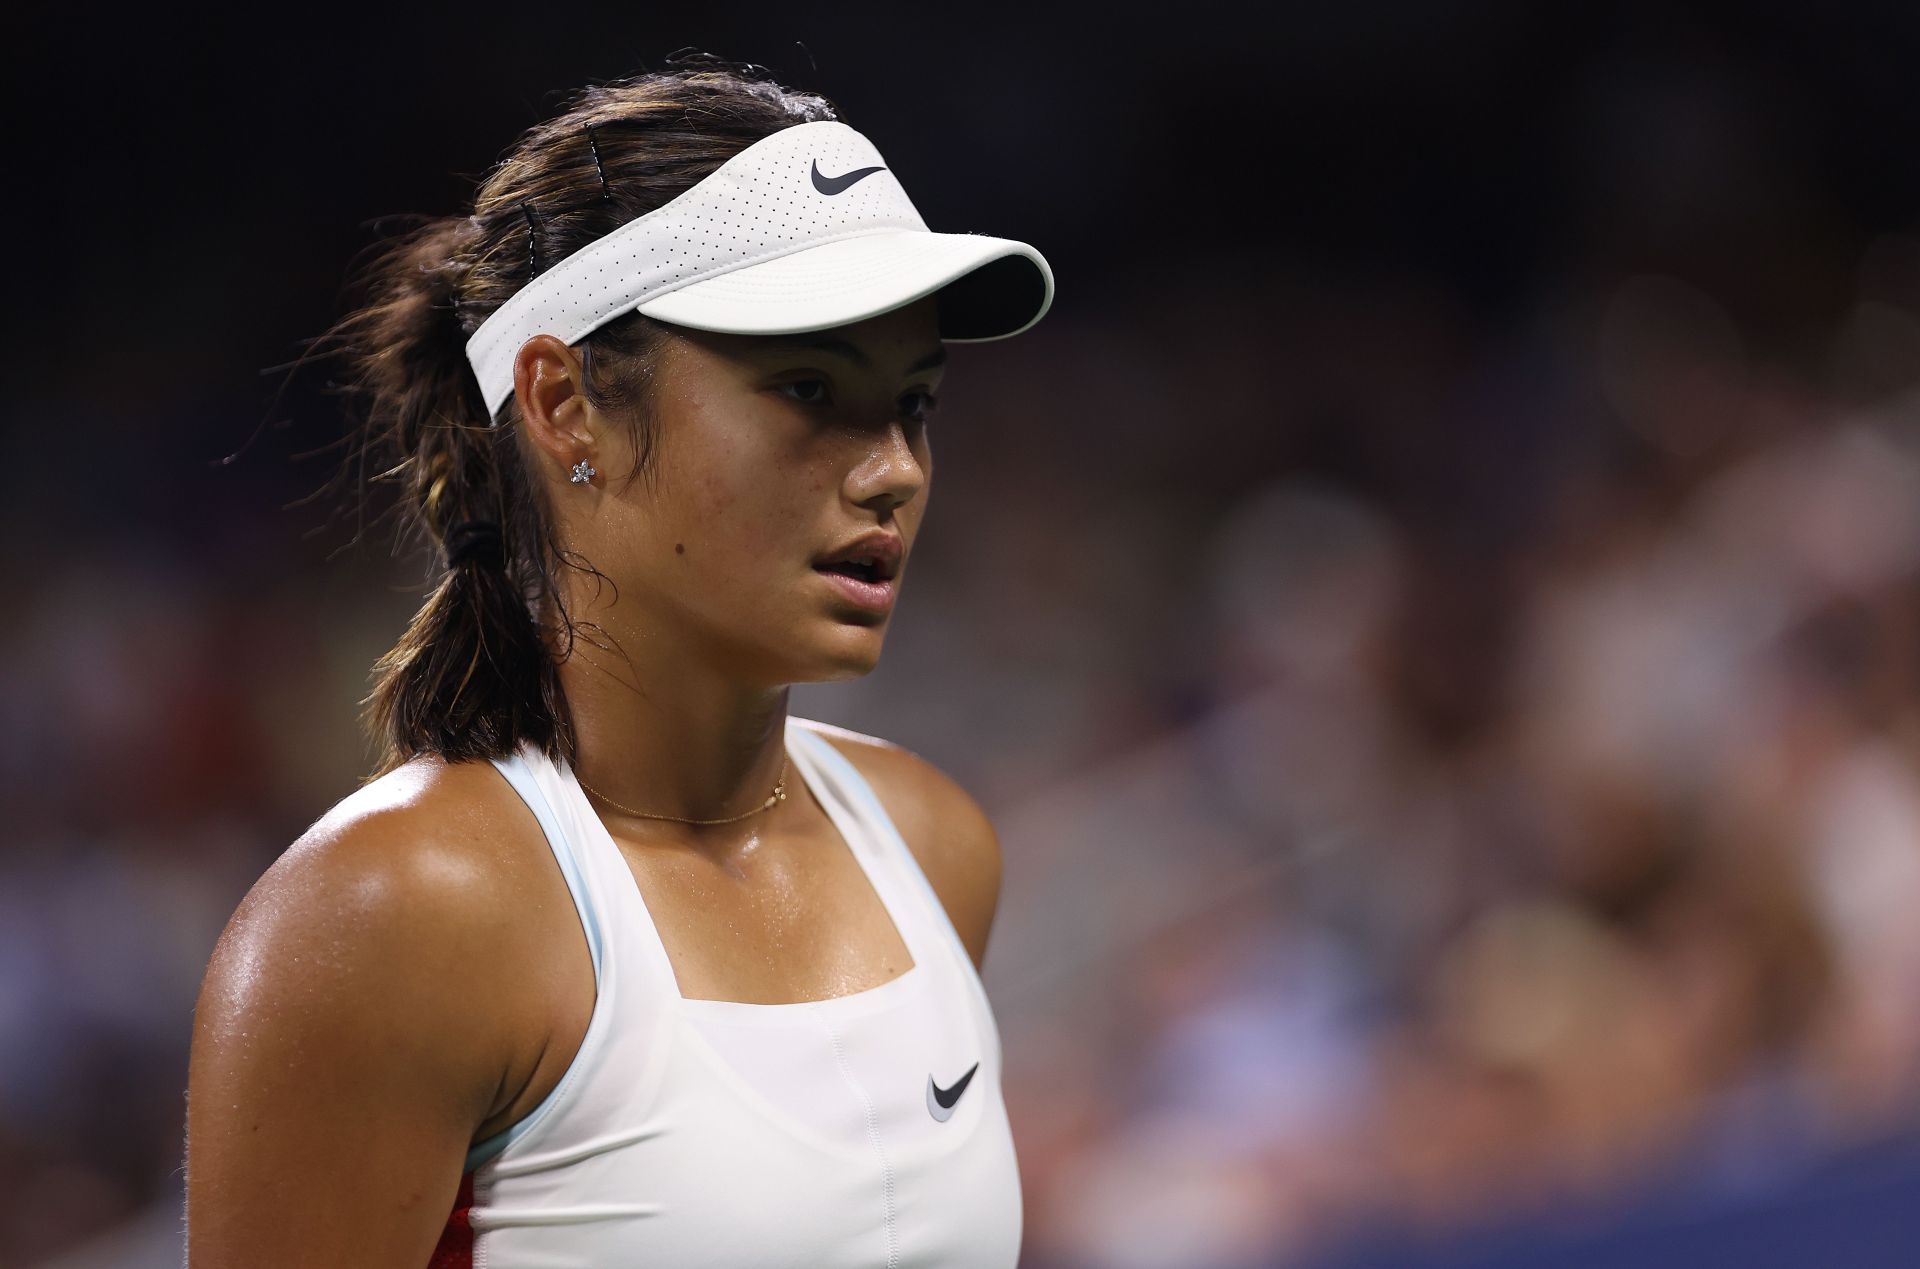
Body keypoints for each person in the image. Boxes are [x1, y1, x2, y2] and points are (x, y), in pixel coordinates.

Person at [184, 61, 1053, 1268]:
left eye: (912, 404)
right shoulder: (395, 916)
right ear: (564, 402)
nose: (893, 470)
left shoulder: (938, 843)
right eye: (810, 389)